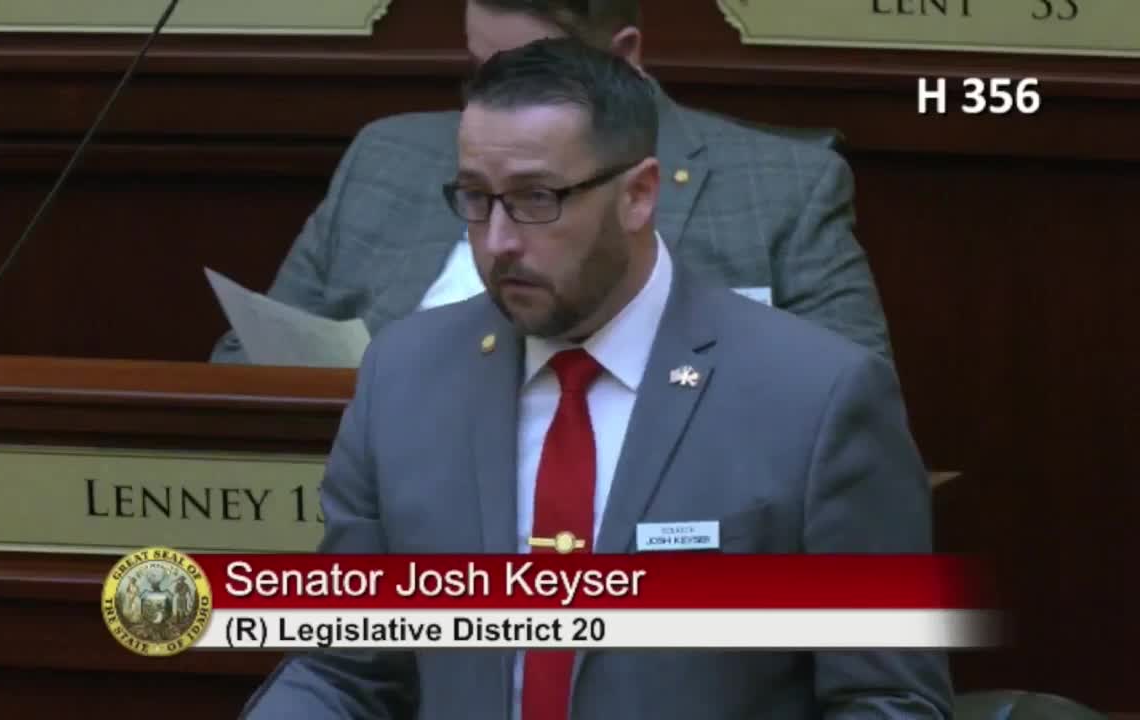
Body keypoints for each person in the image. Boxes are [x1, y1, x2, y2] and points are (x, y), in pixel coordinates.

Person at [238, 38, 951, 720]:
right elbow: (345, 668)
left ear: (639, 194)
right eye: (475, 198)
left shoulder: (816, 397)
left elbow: (887, 699)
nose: (498, 241)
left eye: (537, 198)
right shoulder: (404, 378)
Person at [210, 0, 893, 365]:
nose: (495, 103)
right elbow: (244, 364)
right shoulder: (387, 157)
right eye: (481, 71)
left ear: (623, 57)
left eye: (531, 75)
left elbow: (853, 406)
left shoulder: (780, 189)